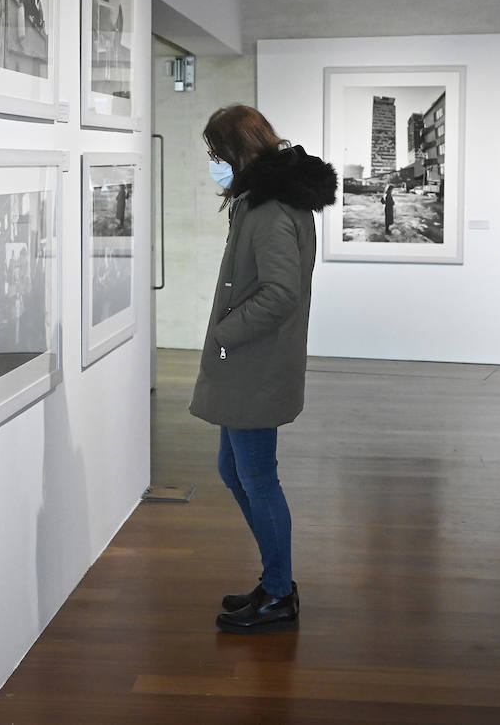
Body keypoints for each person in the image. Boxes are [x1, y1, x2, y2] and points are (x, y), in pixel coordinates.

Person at [188, 104, 337, 634]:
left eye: (216, 153)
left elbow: (279, 293)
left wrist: (225, 332)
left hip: (255, 362)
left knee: (257, 477)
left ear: (238, 150)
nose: (213, 163)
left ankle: (279, 593)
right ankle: (276, 580)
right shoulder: (262, 200)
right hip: (250, 362)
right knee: (235, 471)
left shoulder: (271, 209)